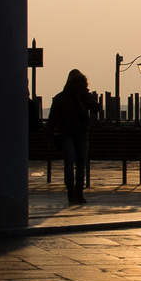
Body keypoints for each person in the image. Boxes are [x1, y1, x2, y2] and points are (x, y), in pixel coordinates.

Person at [48, 69, 95, 205]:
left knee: (79, 164)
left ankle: (77, 192)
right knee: (72, 164)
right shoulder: (61, 98)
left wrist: (84, 96)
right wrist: (49, 133)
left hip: (79, 134)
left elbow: (95, 108)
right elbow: (53, 117)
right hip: (69, 134)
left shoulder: (82, 96)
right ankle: (72, 192)